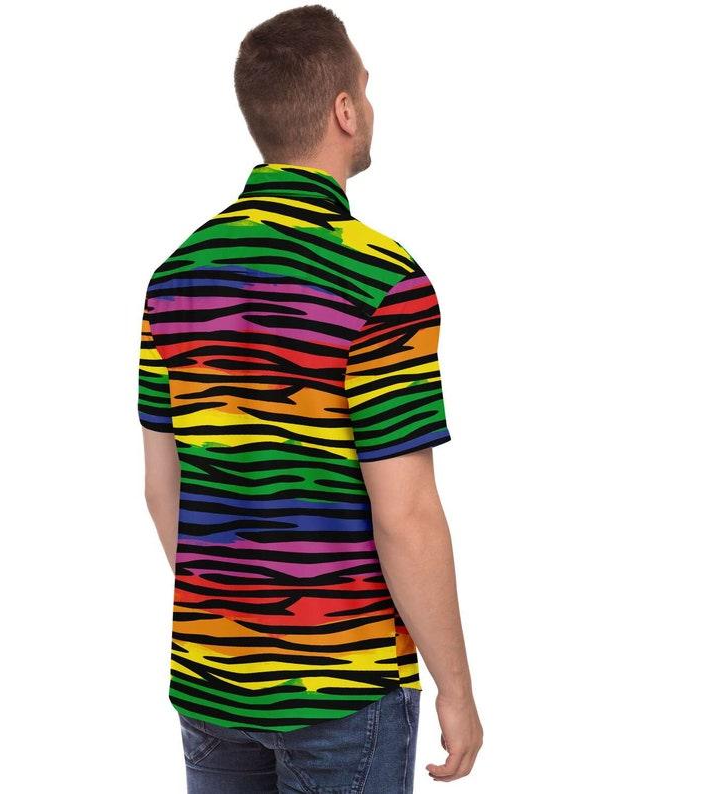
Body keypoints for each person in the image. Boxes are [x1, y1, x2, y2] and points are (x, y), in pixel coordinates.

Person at [137, 5, 482, 791]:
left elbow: (163, 489)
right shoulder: (380, 281)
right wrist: (456, 690)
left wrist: (238, 617)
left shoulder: (176, 277)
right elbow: (406, 515)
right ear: (344, 109)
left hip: (211, 679)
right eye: (367, 88)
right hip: (343, 689)